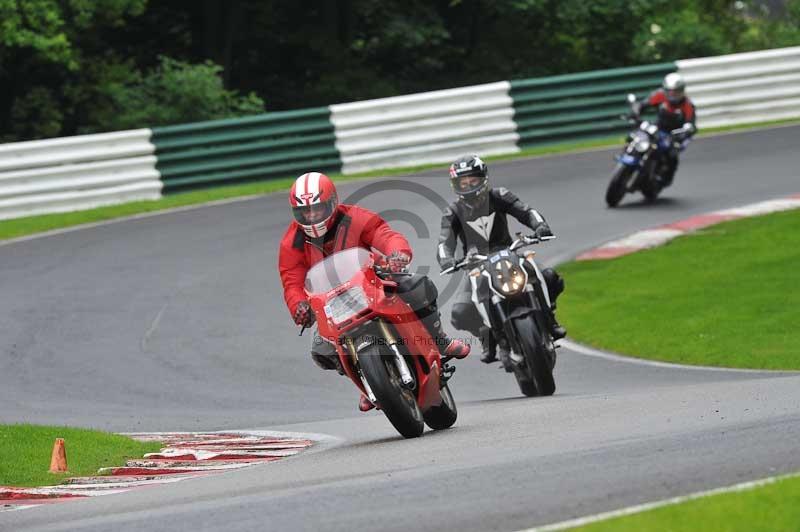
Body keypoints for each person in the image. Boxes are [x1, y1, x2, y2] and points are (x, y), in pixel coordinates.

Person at [278, 171, 470, 412]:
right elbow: (292, 281)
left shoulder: (353, 217)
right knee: (321, 348)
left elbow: (383, 233)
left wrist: (397, 254)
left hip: (372, 280)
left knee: (417, 286)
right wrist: (299, 306)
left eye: (317, 209)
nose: (312, 216)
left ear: (332, 203)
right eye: (305, 212)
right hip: (331, 303)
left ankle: (440, 340)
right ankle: (366, 380)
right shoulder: (291, 242)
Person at [437, 155, 566, 364]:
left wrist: (540, 226)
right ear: (456, 185)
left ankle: (549, 319)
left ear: (483, 179)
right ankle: (487, 336)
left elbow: (526, 211)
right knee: (460, 312)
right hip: (476, 264)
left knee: (550, 277)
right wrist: (447, 260)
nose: (469, 186)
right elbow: (445, 241)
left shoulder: (500, 195)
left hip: (509, 252)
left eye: (473, 181)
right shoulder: (453, 212)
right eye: (464, 183)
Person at [634, 72, 698, 186]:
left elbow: (691, 123)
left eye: (676, 91)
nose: (672, 94)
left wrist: (686, 131)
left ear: (682, 90)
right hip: (658, 128)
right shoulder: (660, 96)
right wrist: (636, 111)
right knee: (638, 137)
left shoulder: (688, 105)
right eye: (669, 91)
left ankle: (666, 177)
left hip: (675, 134)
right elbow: (643, 104)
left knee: (672, 154)